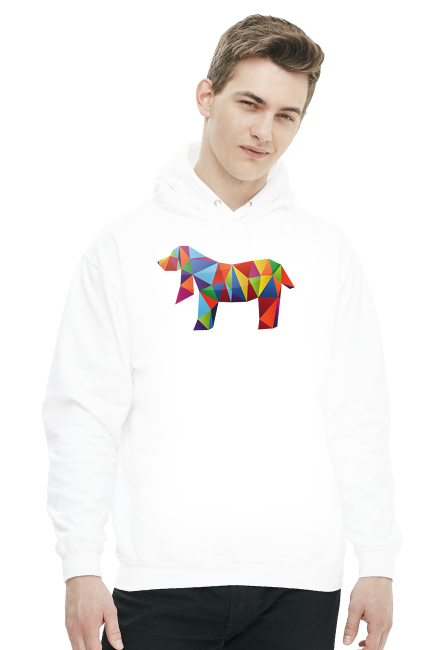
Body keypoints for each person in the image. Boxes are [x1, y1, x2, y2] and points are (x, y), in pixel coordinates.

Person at [42, 14, 402, 650]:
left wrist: (377, 561)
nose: (265, 132)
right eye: (250, 103)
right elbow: (84, 415)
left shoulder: (327, 251)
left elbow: (357, 415)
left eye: (287, 115)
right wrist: (79, 564)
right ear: (206, 96)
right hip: (158, 586)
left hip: (299, 587)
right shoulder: (123, 247)